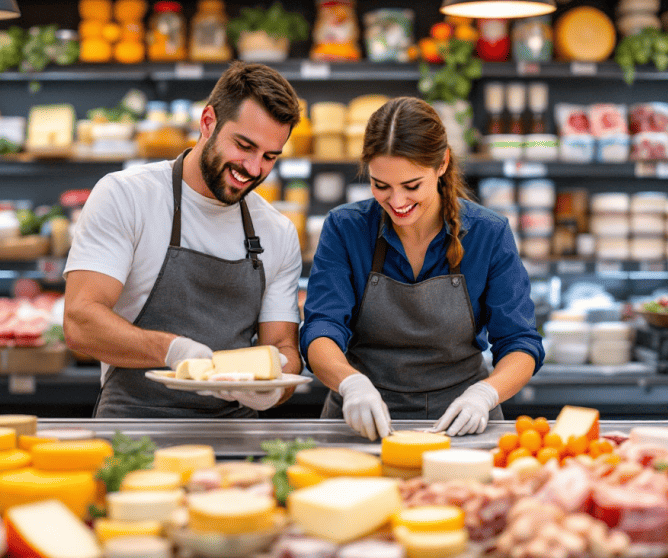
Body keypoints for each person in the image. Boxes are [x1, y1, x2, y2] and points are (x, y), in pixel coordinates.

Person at [64, 62, 304, 418]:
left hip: (235, 434)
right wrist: (172, 350)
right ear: (208, 122)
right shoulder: (126, 196)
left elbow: (282, 346)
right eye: (244, 146)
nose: (254, 169)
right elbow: (80, 322)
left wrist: (273, 390)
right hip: (134, 430)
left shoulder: (277, 232)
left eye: (269, 157)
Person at [301, 96, 544, 440]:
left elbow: (520, 342)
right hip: (359, 422)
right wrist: (351, 383)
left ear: (442, 163)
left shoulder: (488, 234)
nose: (397, 202)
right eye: (380, 186)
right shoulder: (346, 228)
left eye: (411, 186)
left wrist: (484, 395)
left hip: (461, 424)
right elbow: (321, 327)